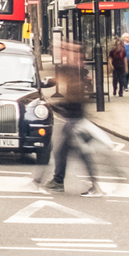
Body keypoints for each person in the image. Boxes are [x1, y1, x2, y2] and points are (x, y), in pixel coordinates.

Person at [42, 60, 102, 197]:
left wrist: (53, 106)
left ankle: (60, 182)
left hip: (74, 126)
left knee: (80, 156)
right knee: (65, 154)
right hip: (74, 125)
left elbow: (71, 109)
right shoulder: (75, 85)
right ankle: (58, 181)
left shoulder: (75, 87)